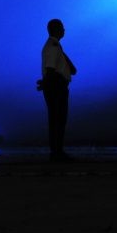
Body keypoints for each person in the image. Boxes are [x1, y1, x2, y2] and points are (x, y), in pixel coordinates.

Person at [37, 18, 77, 162]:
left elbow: (72, 70)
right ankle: (57, 152)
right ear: (55, 29)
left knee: (57, 119)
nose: (64, 30)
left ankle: (57, 152)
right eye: (61, 27)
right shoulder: (53, 46)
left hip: (55, 85)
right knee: (58, 119)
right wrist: (47, 84)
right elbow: (51, 70)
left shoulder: (55, 46)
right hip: (56, 86)